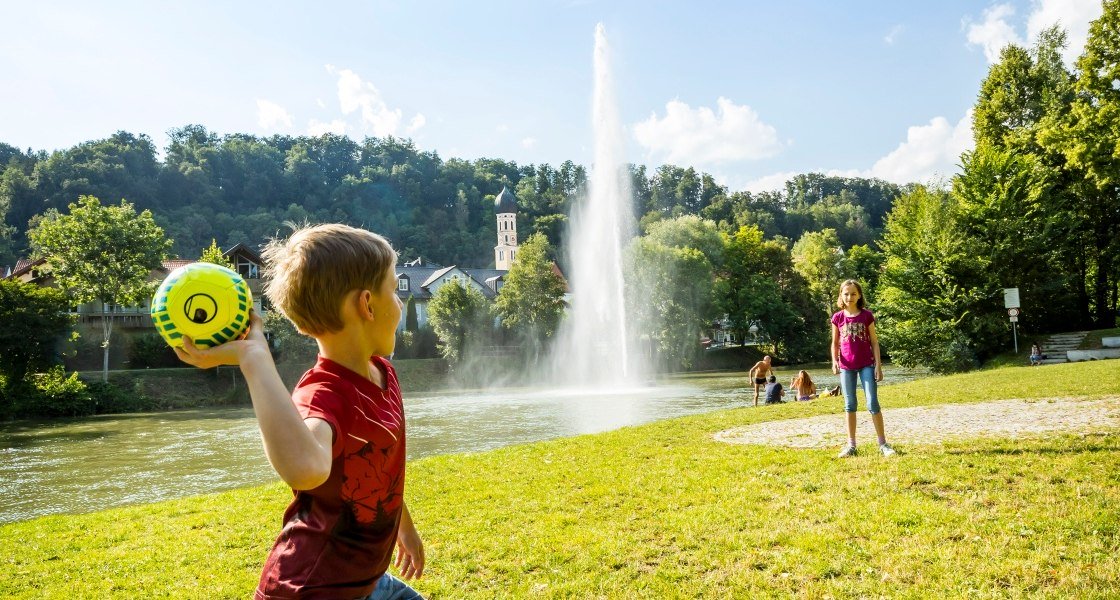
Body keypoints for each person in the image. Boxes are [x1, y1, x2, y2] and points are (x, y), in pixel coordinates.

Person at [174, 224, 425, 599]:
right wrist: (253, 357)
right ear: (367, 304)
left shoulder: (383, 372)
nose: (401, 302)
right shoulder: (323, 395)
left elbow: (377, 468)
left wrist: (403, 526)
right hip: (310, 589)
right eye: (394, 290)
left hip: (368, 583)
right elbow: (306, 468)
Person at [831, 279, 895, 458]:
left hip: (867, 364)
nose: (849, 297)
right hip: (846, 366)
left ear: (859, 296)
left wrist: (878, 366)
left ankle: (883, 444)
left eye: (853, 294)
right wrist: (834, 361)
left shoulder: (867, 316)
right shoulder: (838, 318)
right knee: (849, 405)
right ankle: (851, 445)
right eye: (846, 294)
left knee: (872, 403)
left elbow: (874, 342)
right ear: (841, 296)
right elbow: (835, 343)